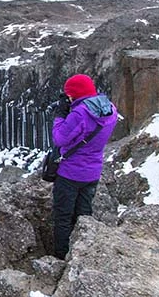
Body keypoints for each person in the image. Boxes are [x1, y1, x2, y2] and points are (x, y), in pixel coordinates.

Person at [50, 74, 118, 260]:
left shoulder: (80, 113)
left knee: (63, 217)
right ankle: (82, 252)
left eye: (69, 95)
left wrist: (60, 116)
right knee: (83, 214)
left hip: (70, 173)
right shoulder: (110, 109)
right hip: (92, 172)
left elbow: (60, 138)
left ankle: (61, 257)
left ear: (74, 94)